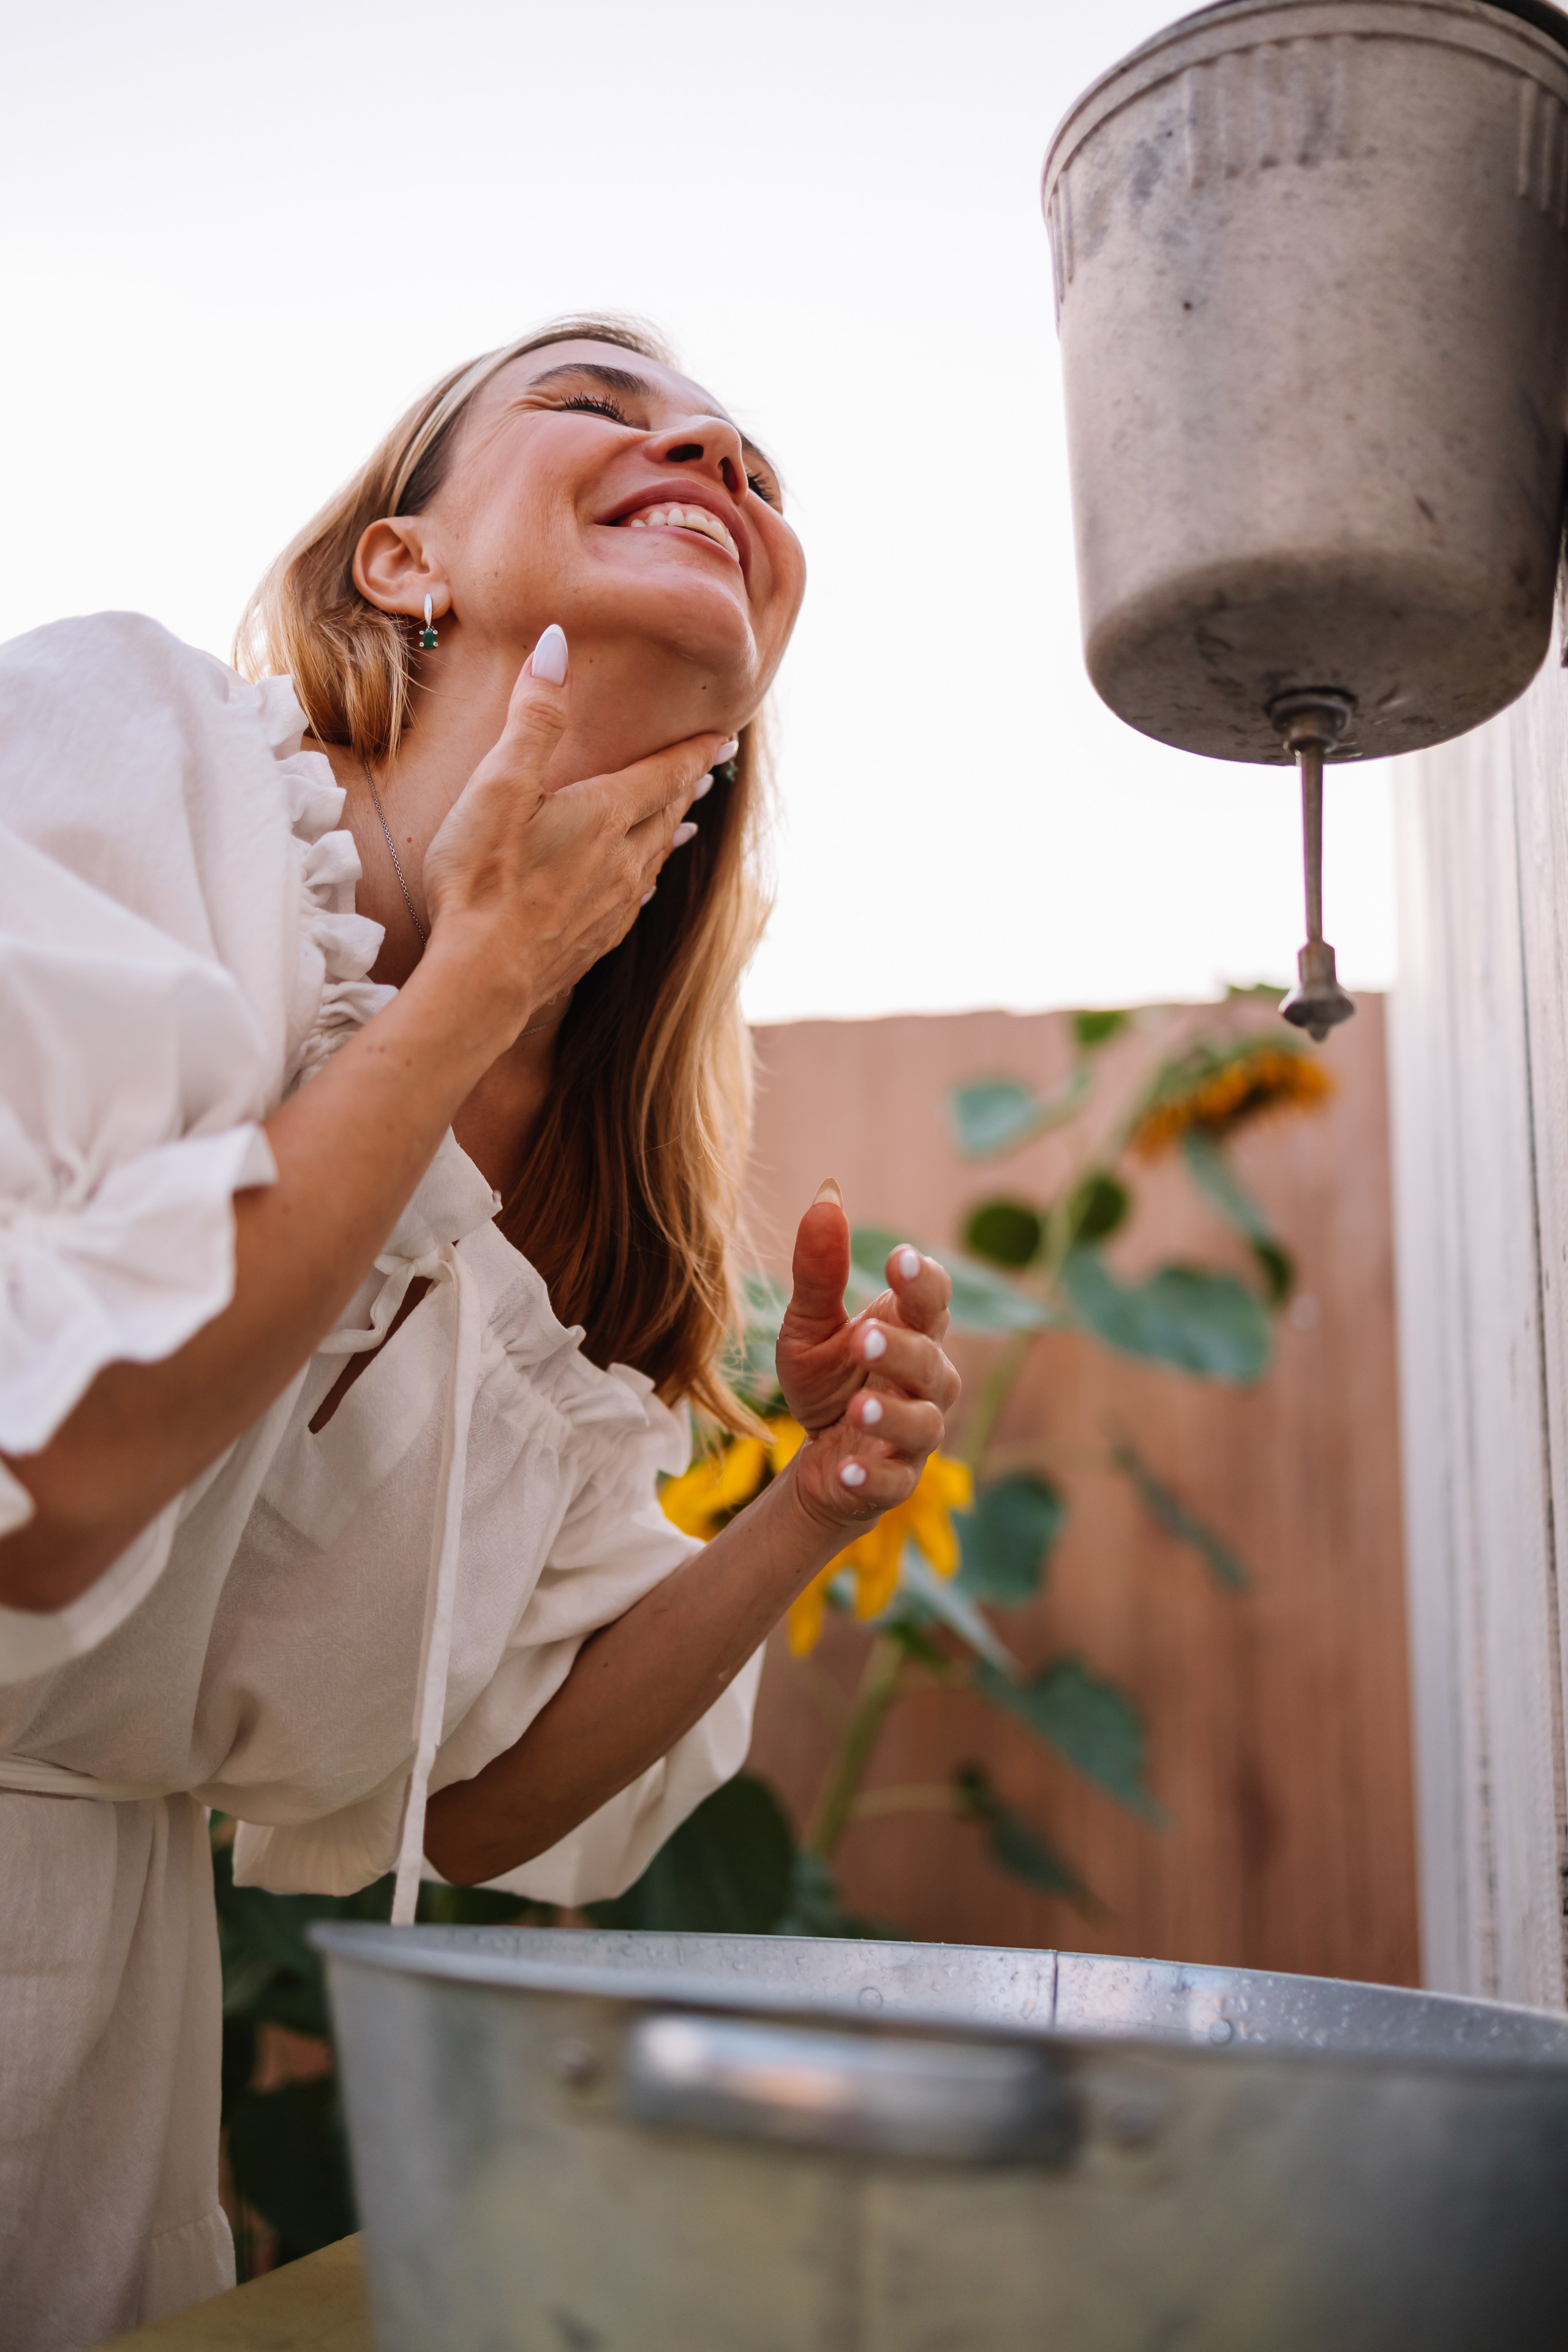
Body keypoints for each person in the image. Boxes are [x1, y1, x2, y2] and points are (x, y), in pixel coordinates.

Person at [0, 315, 961, 2350]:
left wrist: (816, 1505)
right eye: (599, 402)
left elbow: (490, 1795)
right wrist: (469, 987)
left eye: (757, 470)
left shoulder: (589, 1173)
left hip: (92, 2061)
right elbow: (46, 1482)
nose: (710, 442)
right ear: (402, 566)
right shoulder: (121, 759)